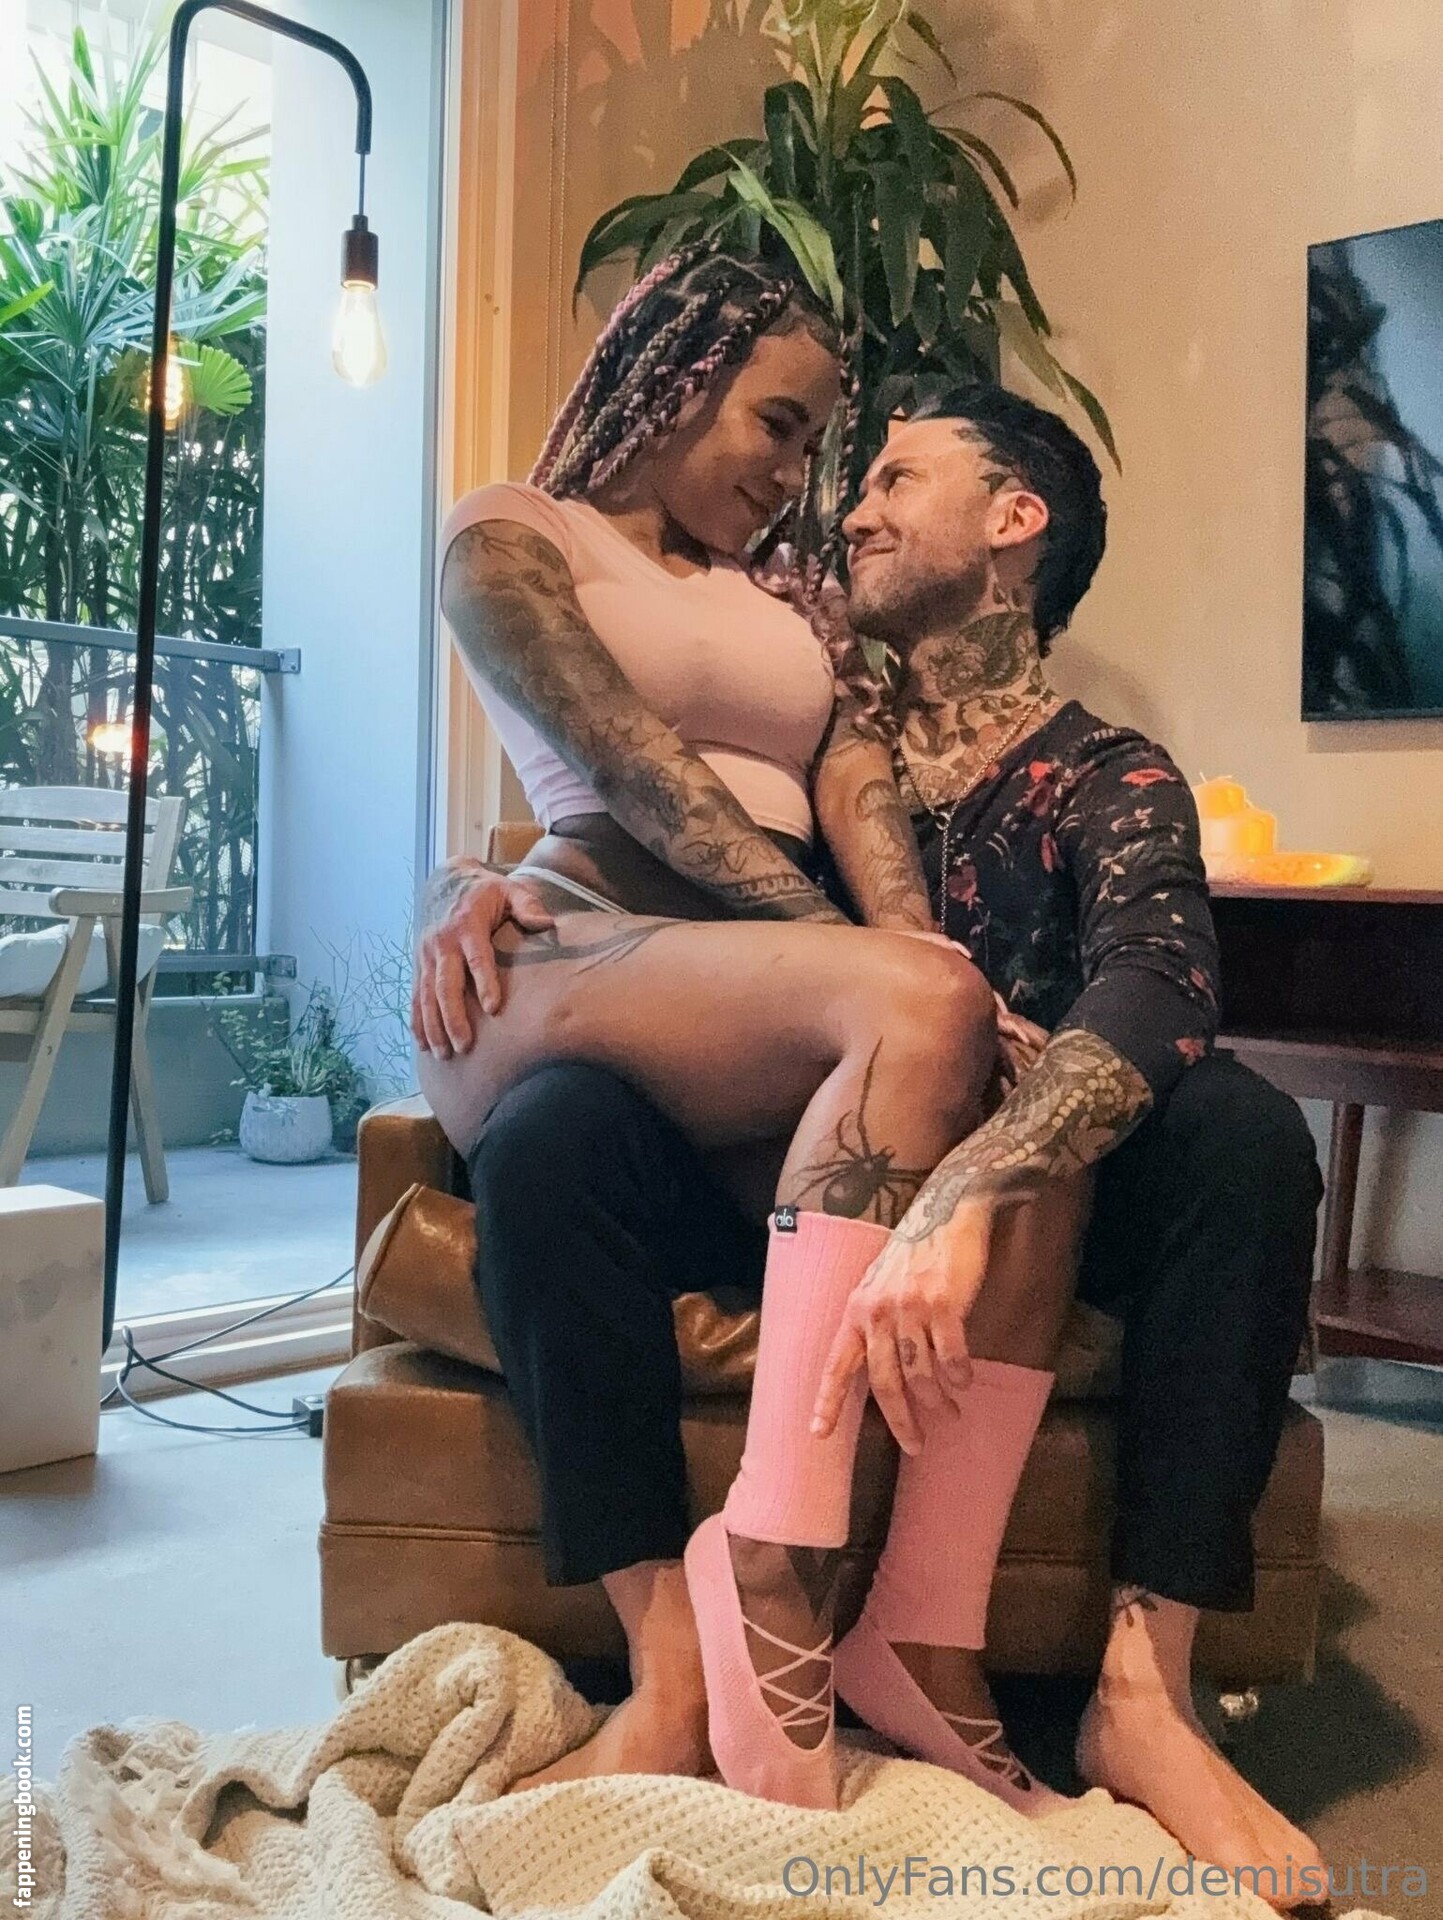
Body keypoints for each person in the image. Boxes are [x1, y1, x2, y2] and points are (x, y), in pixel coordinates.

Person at [417, 378, 1328, 1894]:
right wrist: (472, 887)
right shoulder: (805, 762)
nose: (850, 509)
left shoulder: (1109, 776)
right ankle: (669, 1664)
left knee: (1244, 1132)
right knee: (550, 1130)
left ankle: (1143, 1691)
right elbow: (613, 837)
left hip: (1034, 1208)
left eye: (899, 477)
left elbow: (1161, 985)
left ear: (1014, 520)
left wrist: (973, 1180)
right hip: (773, 1170)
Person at [415, 246, 1092, 1814]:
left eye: (813, 445)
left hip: (746, 1002)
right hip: (566, 950)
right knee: (906, 1007)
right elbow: (633, 767)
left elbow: (856, 790)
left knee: (1020, 1112)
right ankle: (711, 1627)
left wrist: (924, 961)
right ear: (678, 375)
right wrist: (877, 968)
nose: (797, 478)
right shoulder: (514, 533)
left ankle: (909, 1627)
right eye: (778, 426)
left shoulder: (789, 599)